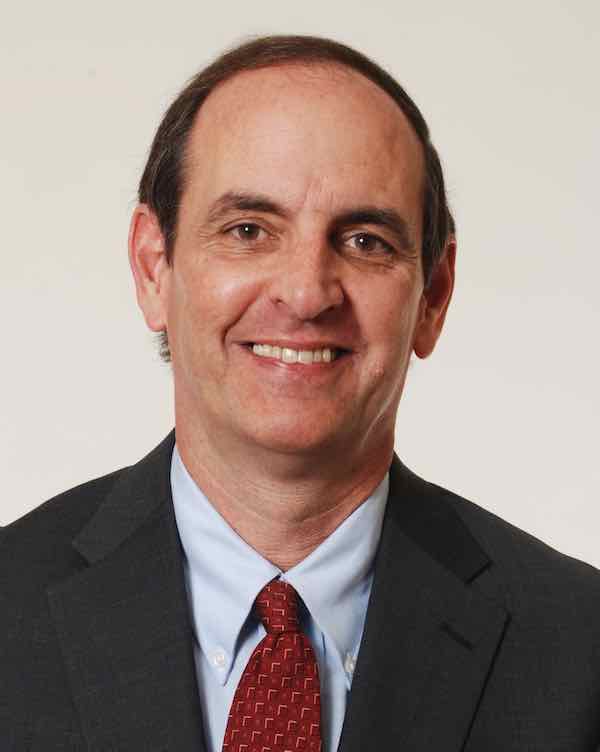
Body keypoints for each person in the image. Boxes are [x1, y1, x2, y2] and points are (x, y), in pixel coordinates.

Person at [2, 34, 599, 752]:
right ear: (155, 267)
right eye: (249, 230)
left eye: (366, 241)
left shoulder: (578, 649)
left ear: (434, 295)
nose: (307, 293)